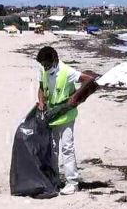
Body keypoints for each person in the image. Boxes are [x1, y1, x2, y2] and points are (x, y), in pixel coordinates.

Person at [36, 46, 98, 195]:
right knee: (53, 149)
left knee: (67, 147)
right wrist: (41, 101)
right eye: (43, 65)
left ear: (55, 60)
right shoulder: (42, 70)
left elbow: (89, 80)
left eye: (48, 64)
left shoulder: (66, 71)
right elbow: (41, 88)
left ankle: (72, 183)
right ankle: (55, 179)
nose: (45, 67)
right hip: (52, 114)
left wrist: (75, 97)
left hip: (66, 115)